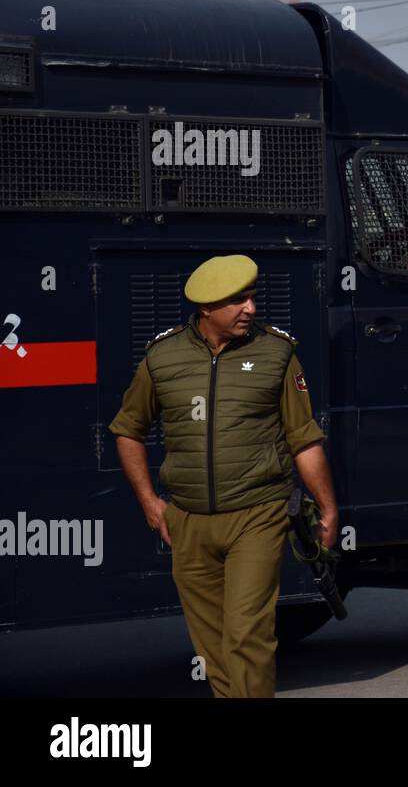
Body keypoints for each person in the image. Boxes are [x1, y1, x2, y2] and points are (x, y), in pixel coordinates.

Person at [109, 254, 338, 698]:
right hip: (189, 522)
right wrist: (150, 504)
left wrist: (328, 507)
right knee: (213, 649)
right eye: (237, 301)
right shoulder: (162, 356)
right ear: (206, 309)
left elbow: (304, 438)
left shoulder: (277, 353)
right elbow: (127, 430)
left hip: (258, 515)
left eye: (251, 297)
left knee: (245, 638)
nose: (250, 309)